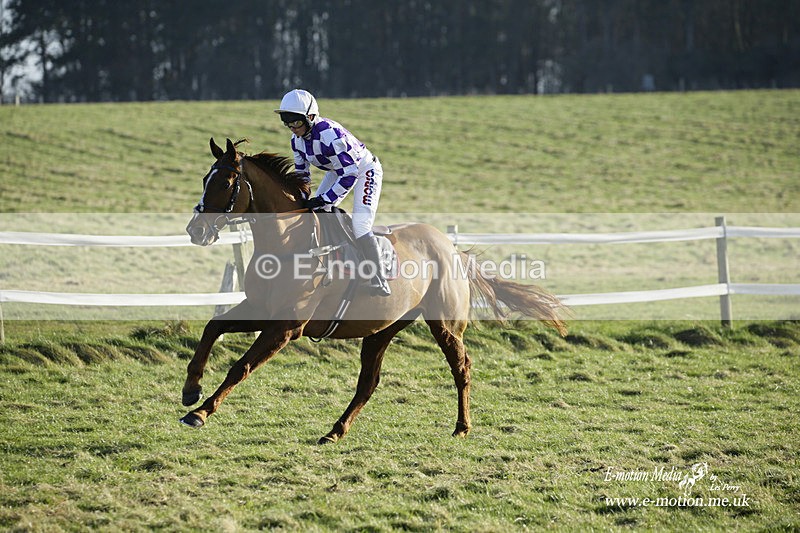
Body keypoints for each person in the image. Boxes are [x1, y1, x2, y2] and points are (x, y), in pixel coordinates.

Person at [274, 89, 391, 297]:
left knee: (360, 225)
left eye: (296, 122)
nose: (292, 127)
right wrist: (299, 201)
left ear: (310, 117)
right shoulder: (296, 141)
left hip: (364, 170)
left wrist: (324, 199)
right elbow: (302, 176)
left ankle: (379, 278)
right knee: (317, 213)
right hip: (338, 170)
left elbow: (350, 173)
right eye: (287, 122)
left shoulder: (328, 134)